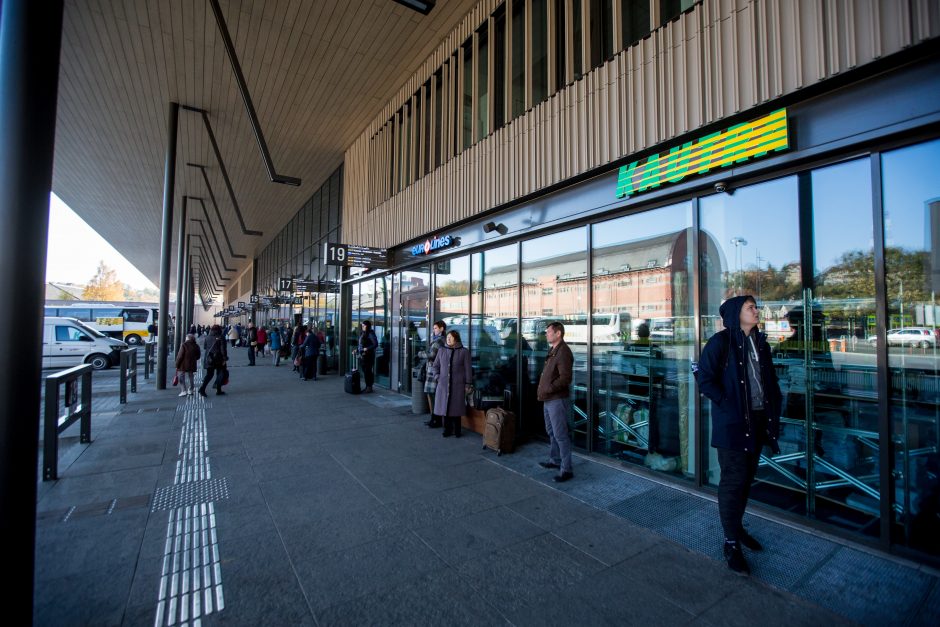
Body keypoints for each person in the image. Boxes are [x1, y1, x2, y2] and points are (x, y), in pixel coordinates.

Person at [695, 295, 782, 575]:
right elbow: (703, 376)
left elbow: (769, 381)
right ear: (735, 313)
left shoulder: (760, 342)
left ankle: (737, 527)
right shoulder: (721, 342)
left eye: (755, 307)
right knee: (733, 481)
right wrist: (726, 402)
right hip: (733, 425)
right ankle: (731, 543)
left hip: (757, 423)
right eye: (750, 307)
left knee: (746, 480)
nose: (756, 311)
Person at [537, 321, 575, 483]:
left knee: (560, 434)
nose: (546, 334)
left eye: (549, 332)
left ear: (558, 333)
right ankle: (555, 460)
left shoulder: (563, 352)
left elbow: (565, 378)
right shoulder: (553, 350)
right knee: (551, 431)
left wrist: (550, 388)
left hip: (556, 399)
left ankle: (566, 469)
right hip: (548, 398)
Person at [430, 330, 472, 438]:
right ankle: (447, 430)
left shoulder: (464, 351)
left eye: (451, 337)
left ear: (456, 338)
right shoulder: (441, 350)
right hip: (443, 384)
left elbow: (468, 370)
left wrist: (467, 384)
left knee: (456, 408)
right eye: (447, 337)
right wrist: (437, 377)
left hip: (458, 384)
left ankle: (457, 430)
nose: (448, 339)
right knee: (445, 408)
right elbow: (435, 366)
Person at [423, 321, 447, 428]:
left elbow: (431, 354)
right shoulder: (440, 340)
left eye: (436, 328)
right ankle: (434, 419)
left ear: (442, 329)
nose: (434, 330)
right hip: (435, 370)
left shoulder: (439, 340)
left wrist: (420, 354)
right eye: (434, 328)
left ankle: (435, 420)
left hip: (433, 370)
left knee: (433, 395)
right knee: (432, 395)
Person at [199, 325, 228, 396]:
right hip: (219, 358)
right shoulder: (221, 337)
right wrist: (224, 358)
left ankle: (202, 388)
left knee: (209, 374)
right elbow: (223, 349)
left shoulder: (208, 337)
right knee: (220, 373)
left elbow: (205, 347)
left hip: (210, 358)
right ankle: (218, 390)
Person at [357, 320, 379, 393]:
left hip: (368, 355)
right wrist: (357, 350)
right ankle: (368, 386)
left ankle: (369, 387)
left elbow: (375, 344)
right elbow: (360, 345)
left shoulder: (370, 334)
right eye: (362, 325)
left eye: (364, 325)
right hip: (362, 355)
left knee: (368, 371)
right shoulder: (363, 333)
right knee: (365, 371)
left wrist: (367, 348)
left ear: (368, 326)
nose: (362, 327)